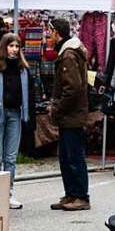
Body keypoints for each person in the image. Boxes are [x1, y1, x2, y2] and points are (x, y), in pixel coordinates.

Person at [48, 18, 91, 211]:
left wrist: (57, 108)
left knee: (73, 157)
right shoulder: (69, 53)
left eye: (50, 33)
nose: (48, 37)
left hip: (72, 116)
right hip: (70, 116)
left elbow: (72, 88)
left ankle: (80, 196)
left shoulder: (68, 56)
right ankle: (72, 194)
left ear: (57, 33)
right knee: (66, 157)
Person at [0, 33, 30, 210]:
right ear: (4, 47)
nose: (14, 50)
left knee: (10, 157)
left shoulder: (23, 69)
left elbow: (28, 94)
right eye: (11, 46)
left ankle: (8, 193)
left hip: (15, 114)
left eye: (17, 46)